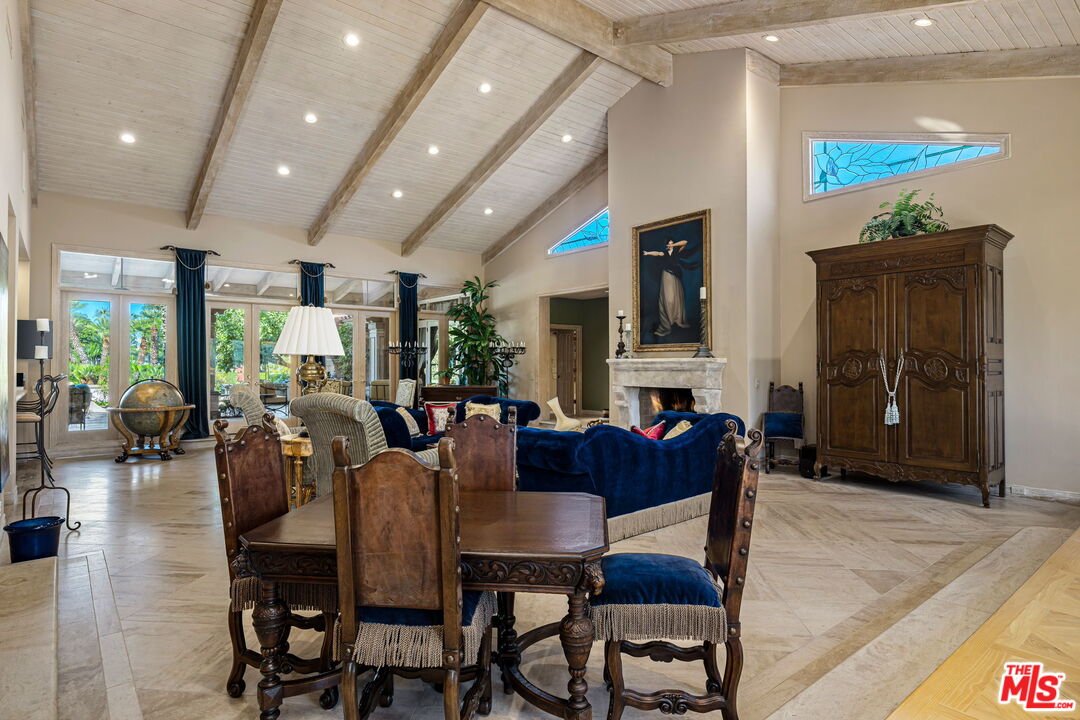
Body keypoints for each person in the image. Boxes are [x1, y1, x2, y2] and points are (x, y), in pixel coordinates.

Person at [642, 238, 693, 337]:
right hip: (667, 276)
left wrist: (673, 245)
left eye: (672, 243)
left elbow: (685, 242)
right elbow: (657, 253)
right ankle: (669, 320)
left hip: (675, 276)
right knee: (668, 299)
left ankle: (677, 319)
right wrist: (648, 253)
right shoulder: (664, 253)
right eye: (669, 244)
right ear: (666, 245)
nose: (670, 245)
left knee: (677, 298)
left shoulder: (677, 251)